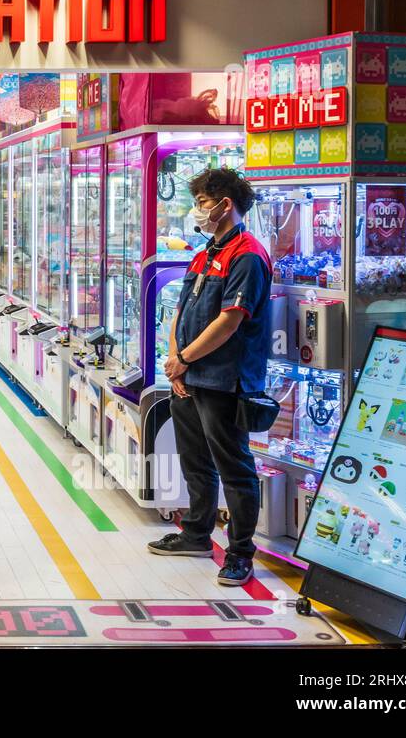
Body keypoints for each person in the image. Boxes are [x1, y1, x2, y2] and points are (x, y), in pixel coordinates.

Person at [147, 167, 273, 586]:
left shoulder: (248, 255)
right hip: (189, 376)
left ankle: (240, 553)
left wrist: (184, 358)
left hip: (225, 379)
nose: (197, 209)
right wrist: (175, 360)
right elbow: (180, 310)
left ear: (226, 204)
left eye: (202, 202)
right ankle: (197, 534)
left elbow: (230, 320)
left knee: (234, 468)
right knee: (195, 462)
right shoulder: (204, 253)